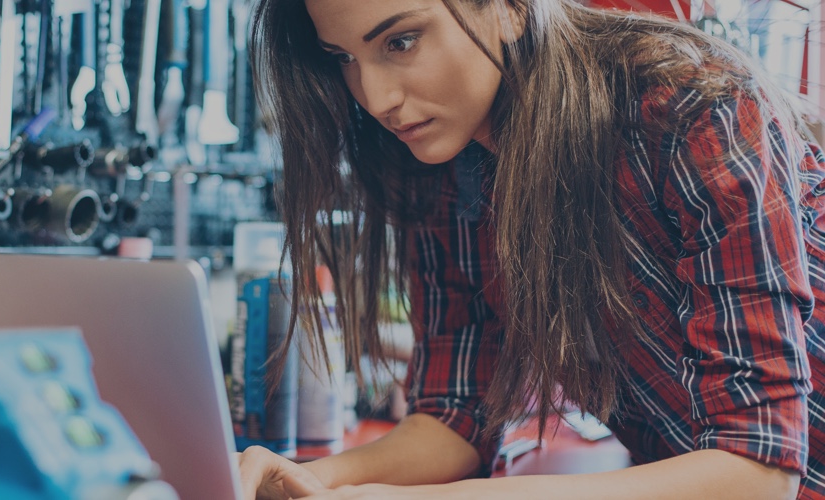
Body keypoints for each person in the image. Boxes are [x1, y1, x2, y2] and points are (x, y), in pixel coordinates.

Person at [238, 0, 825, 498]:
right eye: (344, 59)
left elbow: (758, 468)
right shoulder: (448, 165)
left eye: (402, 41)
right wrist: (309, 480)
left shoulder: (693, 109)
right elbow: (456, 418)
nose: (376, 96)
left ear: (511, 8)